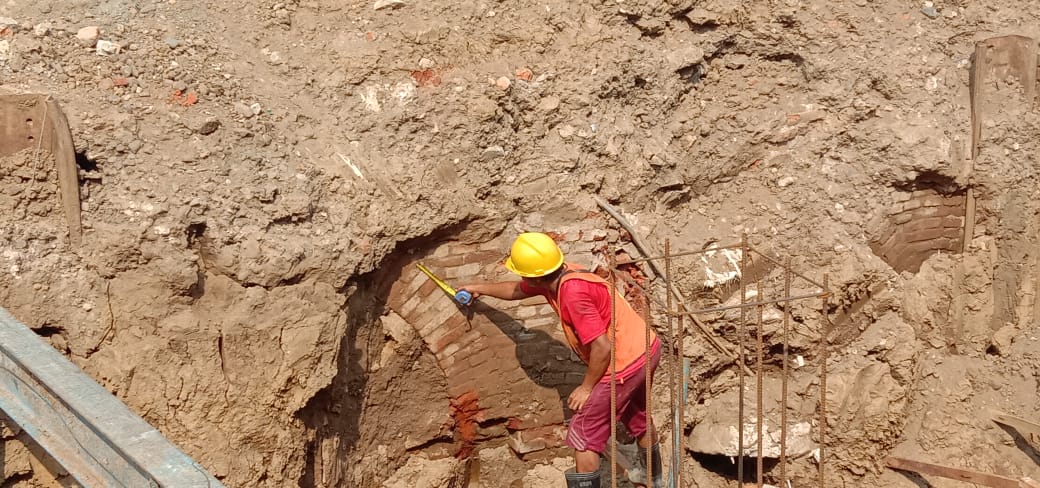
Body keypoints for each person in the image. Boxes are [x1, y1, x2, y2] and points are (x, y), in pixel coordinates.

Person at [459, 232, 663, 488]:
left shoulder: (573, 293)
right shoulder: (565, 272)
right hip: (646, 347)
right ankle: (654, 479)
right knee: (638, 417)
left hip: (623, 364)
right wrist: (477, 288)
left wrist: (586, 388)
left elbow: (602, 347)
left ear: (533, 275)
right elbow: (516, 291)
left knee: (583, 435)